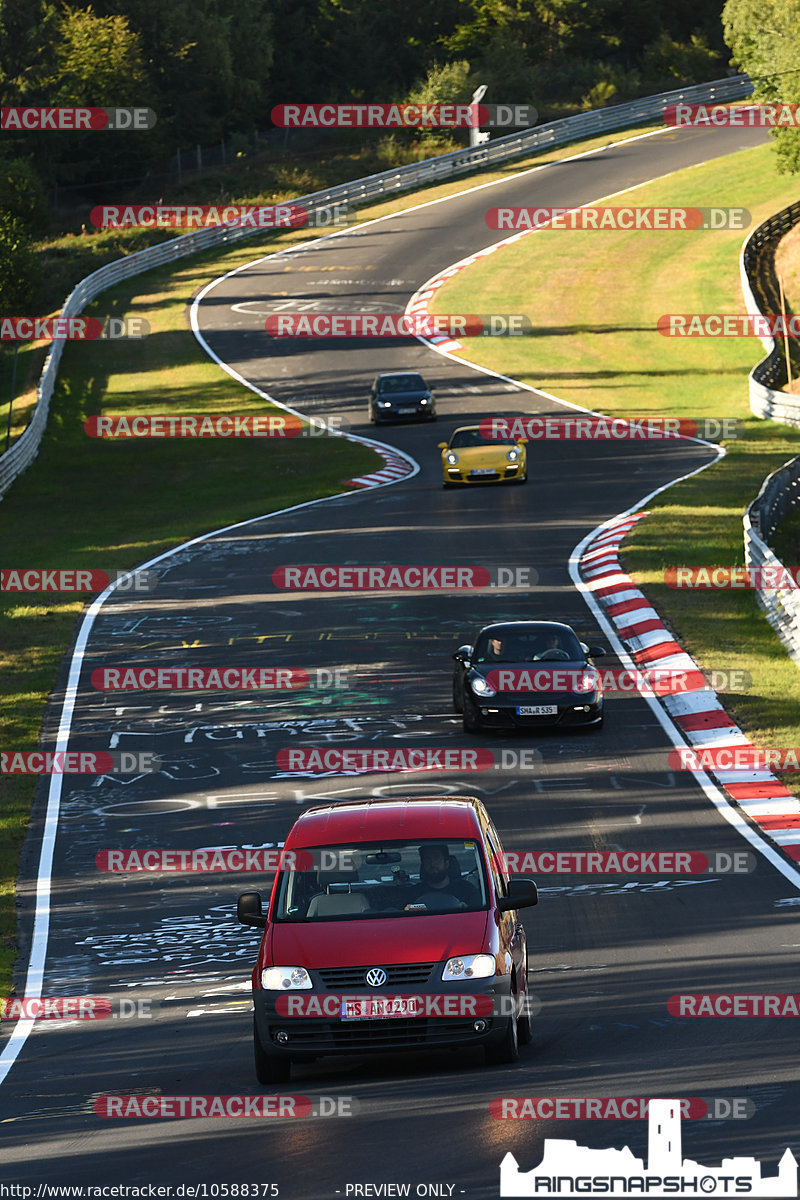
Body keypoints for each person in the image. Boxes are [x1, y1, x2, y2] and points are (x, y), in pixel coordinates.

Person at [405, 844, 481, 909]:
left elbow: (480, 916)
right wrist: (407, 910)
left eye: (436, 858)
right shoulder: (413, 894)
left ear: (446, 863)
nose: (432, 864)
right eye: (427, 859)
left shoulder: (466, 890)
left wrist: (466, 909)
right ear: (423, 864)